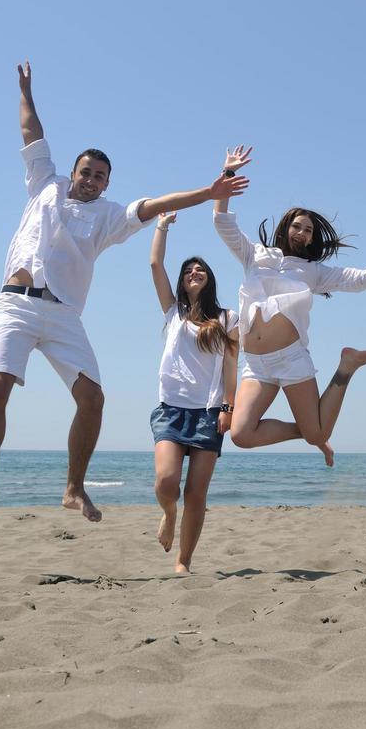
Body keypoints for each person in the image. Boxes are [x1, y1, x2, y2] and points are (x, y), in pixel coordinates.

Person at [0, 61, 248, 523]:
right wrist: (26, 91)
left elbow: (157, 204)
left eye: (99, 176)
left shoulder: (111, 215)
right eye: (85, 172)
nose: (90, 179)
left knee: (93, 399)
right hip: (15, 304)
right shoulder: (43, 185)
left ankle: (73, 489)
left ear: (107, 183)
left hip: (65, 315)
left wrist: (208, 190)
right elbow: (31, 129)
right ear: (73, 172)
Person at [212, 146, 366, 467]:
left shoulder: (314, 272)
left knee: (319, 434)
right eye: (298, 226)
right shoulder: (255, 254)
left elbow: (361, 278)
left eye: (309, 230)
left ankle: (346, 367)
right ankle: (305, 431)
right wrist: (228, 173)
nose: (302, 232)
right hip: (256, 365)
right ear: (286, 227)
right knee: (242, 435)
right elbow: (222, 222)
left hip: (291, 359)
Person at [147, 212, 238, 572]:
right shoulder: (173, 312)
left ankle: (184, 562)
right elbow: (155, 263)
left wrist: (228, 407)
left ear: (209, 278)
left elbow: (232, 366)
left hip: (208, 411)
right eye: (188, 271)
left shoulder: (228, 319)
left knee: (196, 494)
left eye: (199, 269)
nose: (193, 273)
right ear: (182, 282)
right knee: (167, 483)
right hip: (171, 409)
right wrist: (162, 225)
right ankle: (168, 514)